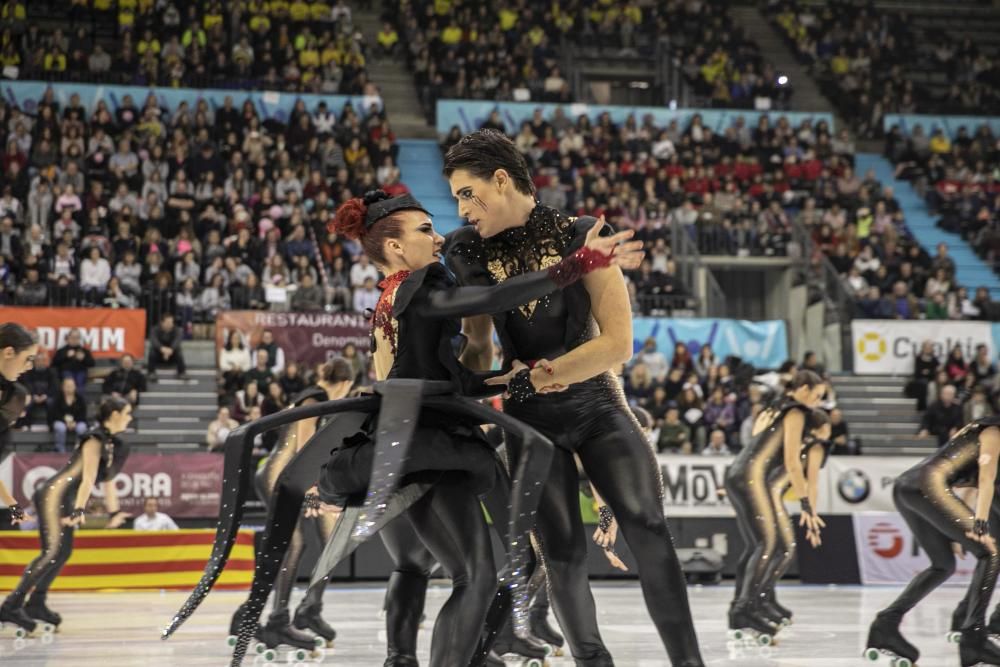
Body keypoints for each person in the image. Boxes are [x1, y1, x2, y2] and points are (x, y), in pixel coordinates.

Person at [164, 189, 641, 667]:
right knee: (476, 573)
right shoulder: (418, 287)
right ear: (395, 247)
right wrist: (573, 266)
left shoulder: (397, 295)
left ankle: (441, 655)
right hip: (425, 444)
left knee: (469, 565)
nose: (438, 238)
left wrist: (501, 378)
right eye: (425, 230)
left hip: (423, 438)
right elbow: (492, 296)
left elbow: (434, 378)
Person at [443, 129, 703, 666]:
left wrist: (539, 375)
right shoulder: (464, 249)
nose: (463, 208)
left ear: (501, 179)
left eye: (468, 193)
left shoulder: (584, 234)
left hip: (598, 408)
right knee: (560, 553)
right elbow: (476, 340)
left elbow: (617, 344)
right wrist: (460, 397)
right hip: (528, 422)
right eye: (456, 200)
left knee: (649, 527)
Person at [227, 357, 355, 653]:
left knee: (309, 543)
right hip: (282, 477)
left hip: (281, 475)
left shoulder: (310, 395)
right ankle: (278, 620)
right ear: (345, 383)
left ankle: (280, 615)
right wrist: (312, 491)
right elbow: (304, 448)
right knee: (293, 545)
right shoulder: (316, 397)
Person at [864, 416, 1000, 667]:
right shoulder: (994, 431)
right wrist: (979, 522)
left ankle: (885, 625)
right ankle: (974, 639)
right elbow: (986, 477)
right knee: (990, 553)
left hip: (909, 487)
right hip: (929, 487)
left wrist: (956, 524)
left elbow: (963, 474)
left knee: (943, 564)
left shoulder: (976, 428)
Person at [0, 397, 132, 634]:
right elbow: (89, 477)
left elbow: (109, 481)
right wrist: (79, 510)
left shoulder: (115, 444)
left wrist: (114, 512)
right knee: (51, 552)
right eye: (127, 413)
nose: (130, 418)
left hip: (67, 498)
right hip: (55, 494)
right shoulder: (94, 438)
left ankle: (36, 604)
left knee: (63, 552)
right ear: (114, 415)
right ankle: (11, 606)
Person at [724, 371, 826, 640]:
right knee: (768, 545)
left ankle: (750, 605)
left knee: (764, 546)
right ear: (803, 389)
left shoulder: (775, 406)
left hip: (740, 474)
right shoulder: (796, 412)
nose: (818, 402)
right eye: (817, 395)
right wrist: (805, 504)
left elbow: (756, 441)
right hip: (751, 477)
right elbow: (792, 462)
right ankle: (746, 608)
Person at [0, 323, 37, 524]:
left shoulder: (14, 393)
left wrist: (12, 504)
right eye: (27, 359)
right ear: (8, 353)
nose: (30, 366)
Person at [49, 377, 88, 453]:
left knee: (82, 427)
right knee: (60, 427)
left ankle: (78, 450)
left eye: (71, 386)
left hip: (76, 422)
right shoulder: (58, 399)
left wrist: (75, 422)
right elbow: (54, 413)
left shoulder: (80, 399)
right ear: (63, 387)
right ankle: (60, 450)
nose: (69, 388)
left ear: (75, 387)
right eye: (67, 386)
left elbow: (82, 414)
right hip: (61, 421)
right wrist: (65, 422)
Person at [148, 312, 188, 381]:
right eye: (168, 322)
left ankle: (182, 372)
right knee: (152, 351)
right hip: (159, 354)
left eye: (171, 322)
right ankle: (151, 373)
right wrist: (162, 349)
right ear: (162, 322)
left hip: (172, 355)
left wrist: (170, 350)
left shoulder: (177, 330)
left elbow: (177, 341)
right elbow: (154, 341)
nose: (170, 324)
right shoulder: (154, 329)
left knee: (178, 351)